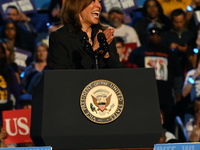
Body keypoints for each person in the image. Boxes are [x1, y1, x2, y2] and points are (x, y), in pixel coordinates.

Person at [128, 22, 183, 133]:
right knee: (145, 124)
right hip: (144, 95)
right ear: (147, 35)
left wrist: (178, 92)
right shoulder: (138, 52)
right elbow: (130, 73)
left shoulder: (169, 53)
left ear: (161, 35)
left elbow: (177, 74)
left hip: (165, 95)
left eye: (157, 33)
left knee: (167, 126)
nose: (155, 35)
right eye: (152, 33)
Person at [49, 0, 121, 69]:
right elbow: (62, 76)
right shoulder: (60, 37)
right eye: (92, 1)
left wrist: (106, 54)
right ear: (77, 4)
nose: (99, 6)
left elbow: (120, 74)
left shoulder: (104, 35)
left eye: (99, 2)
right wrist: (94, 50)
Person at [0, 41, 20, 123]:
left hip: (6, 112)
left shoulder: (9, 72)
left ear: (3, 55)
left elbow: (17, 94)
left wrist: (18, 113)